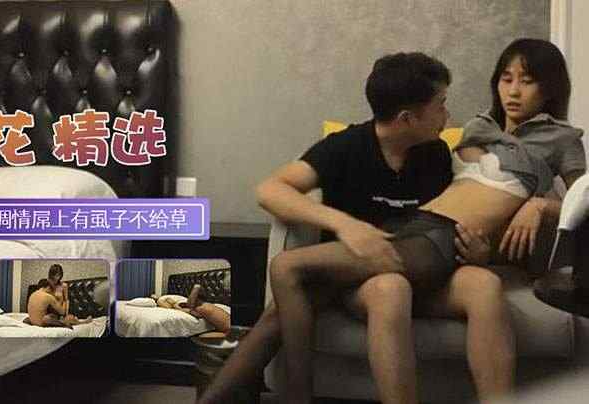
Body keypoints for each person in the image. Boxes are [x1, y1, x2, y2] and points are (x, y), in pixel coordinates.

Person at [199, 40, 585, 404]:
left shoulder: (435, 153)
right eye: (441, 105)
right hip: (370, 265)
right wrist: (347, 225)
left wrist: (529, 212)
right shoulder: (347, 146)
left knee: (480, 284)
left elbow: (474, 210)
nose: (448, 116)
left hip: (421, 254)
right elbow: (270, 190)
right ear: (406, 118)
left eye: (526, 80)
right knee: (361, 286)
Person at [151, 284, 231, 335]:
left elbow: (189, 309)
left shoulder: (201, 309)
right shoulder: (207, 305)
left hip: (228, 332)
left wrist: (176, 307)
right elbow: (188, 307)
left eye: (190, 300)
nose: (189, 302)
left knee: (200, 338)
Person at [25, 278, 92, 328]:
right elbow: (62, 312)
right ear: (48, 287)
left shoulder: (33, 294)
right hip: (42, 322)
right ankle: (82, 322)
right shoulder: (48, 296)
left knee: (52, 316)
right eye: (51, 289)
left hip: (33, 322)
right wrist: (64, 300)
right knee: (68, 318)